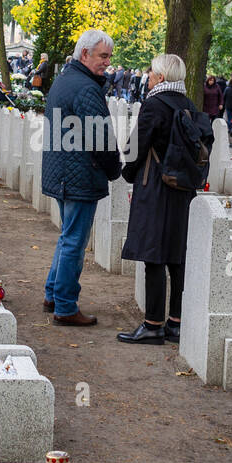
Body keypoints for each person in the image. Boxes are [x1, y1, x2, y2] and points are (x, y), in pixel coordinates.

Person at [40, 29, 121, 326]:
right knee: (74, 240)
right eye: (103, 56)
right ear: (84, 54)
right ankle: (65, 306)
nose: (107, 63)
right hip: (79, 175)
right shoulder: (86, 88)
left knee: (67, 237)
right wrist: (114, 169)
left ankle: (53, 294)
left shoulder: (64, 80)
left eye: (109, 57)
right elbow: (101, 137)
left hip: (63, 172)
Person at [117, 54, 199, 344]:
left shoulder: (154, 104)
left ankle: (153, 324)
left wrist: (127, 173)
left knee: (153, 254)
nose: (147, 75)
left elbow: (136, 145)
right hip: (183, 189)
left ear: (161, 77)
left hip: (155, 186)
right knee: (176, 256)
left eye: (151, 71)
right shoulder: (189, 105)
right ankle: (176, 323)